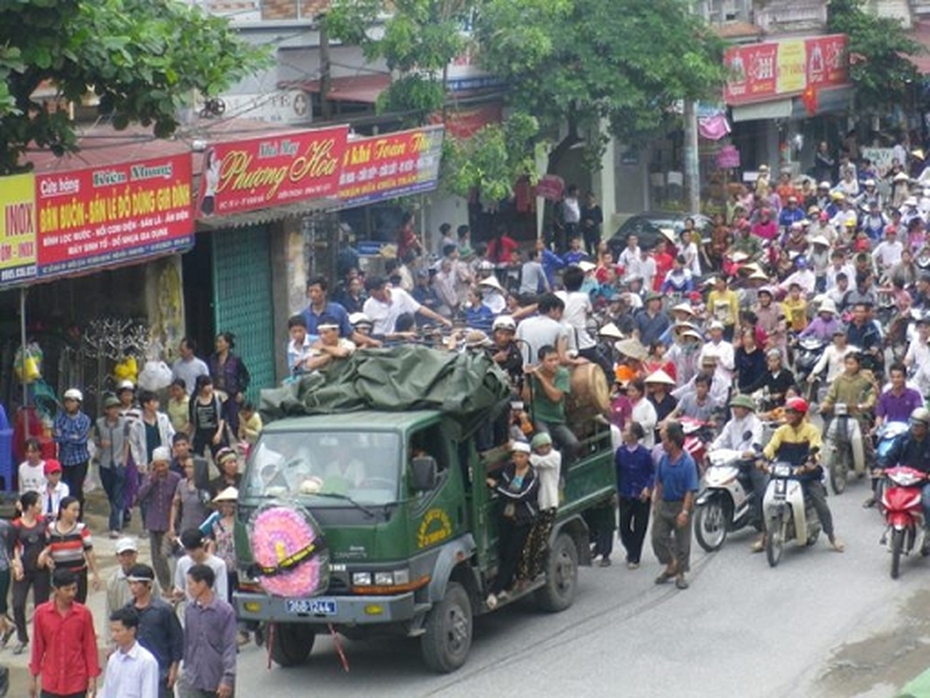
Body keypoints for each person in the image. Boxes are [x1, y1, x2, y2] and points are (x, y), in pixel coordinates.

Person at [760, 397, 844, 552]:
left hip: (806, 473)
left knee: (821, 504)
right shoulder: (781, 431)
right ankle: (765, 536)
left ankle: (832, 536)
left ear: (801, 414)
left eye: (792, 413)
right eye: (787, 412)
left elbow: (816, 448)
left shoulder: (812, 430)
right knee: (765, 497)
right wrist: (763, 459)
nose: (788, 416)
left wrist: (810, 462)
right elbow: (771, 447)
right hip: (784, 472)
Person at [29, 568, 100, 698]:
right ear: (56, 590)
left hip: (77, 681)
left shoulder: (83, 614)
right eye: (67, 590)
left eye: (74, 589)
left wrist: (92, 678)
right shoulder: (41, 613)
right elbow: (38, 647)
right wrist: (33, 677)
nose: (71, 593)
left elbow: (90, 647)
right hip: (51, 682)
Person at [485, 442, 539, 609]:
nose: (517, 459)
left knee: (511, 555)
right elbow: (490, 473)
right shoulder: (508, 469)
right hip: (506, 517)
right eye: (515, 456)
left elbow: (519, 496)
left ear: (528, 457)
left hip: (522, 520)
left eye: (521, 456)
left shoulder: (532, 476)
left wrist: (497, 486)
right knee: (502, 551)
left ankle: (495, 590)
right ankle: (506, 585)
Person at [820, 352, 877, 507]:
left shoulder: (865, 380)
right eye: (847, 363)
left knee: (867, 445)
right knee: (827, 434)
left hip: (859, 417)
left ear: (858, 364)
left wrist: (867, 404)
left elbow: (872, 394)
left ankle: (875, 472)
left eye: (852, 363)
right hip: (840, 416)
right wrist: (825, 404)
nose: (849, 366)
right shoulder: (839, 380)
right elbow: (830, 396)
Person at [652, 421, 698, 590]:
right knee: (657, 537)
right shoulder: (663, 460)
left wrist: (685, 512)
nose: (662, 444)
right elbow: (660, 483)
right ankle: (671, 563)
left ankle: (680, 574)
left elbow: (690, 490)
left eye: (665, 440)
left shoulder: (688, 463)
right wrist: (656, 504)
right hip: (665, 503)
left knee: (682, 542)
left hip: (681, 504)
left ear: (673, 442)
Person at [179, 564, 237, 698]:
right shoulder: (189, 610)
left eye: (190, 583)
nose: (188, 588)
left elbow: (229, 647)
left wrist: (227, 678)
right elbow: (188, 643)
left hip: (217, 681)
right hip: (193, 679)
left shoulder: (224, 611)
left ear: (203, 584)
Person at [126, 563, 183, 698]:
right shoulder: (127, 610)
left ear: (148, 585)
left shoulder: (164, 610)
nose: (133, 588)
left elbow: (176, 640)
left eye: (137, 584)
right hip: (134, 672)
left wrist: (174, 669)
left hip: (161, 672)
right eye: (131, 584)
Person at [711, 394, 767, 531]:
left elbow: (756, 442)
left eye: (738, 407)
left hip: (752, 461)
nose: (735, 410)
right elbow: (722, 439)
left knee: (760, 489)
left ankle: (762, 519)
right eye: (734, 407)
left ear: (747, 409)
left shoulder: (755, 423)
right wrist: (711, 449)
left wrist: (751, 452)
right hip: (735, 459)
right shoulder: (731, 424)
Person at [877, 408, 930, 550]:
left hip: (925, 481)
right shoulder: (904, 439)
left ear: (926, 426)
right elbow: (891, 455)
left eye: (919, 425)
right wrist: (882, 467)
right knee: (887, 500)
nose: (915, 428)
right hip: (905, 479)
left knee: (927, 502)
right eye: (913, 424)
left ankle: (928, 531)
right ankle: (889, 526)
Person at [523, 345, 580, 472]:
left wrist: (541, 378)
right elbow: (527, 399)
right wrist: (527, 380)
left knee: (573, 444)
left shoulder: (562, 374)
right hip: (539, 416)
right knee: (545, 442)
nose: (554, 363)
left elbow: (555, 397)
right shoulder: (535, 375)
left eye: (556, 359)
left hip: (557, 419)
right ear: (542, 362)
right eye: (550, 360)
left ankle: (562, 473)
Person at [39, 496, 102, 604]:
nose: (76, 514)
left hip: (78, 573)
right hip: (59, 574)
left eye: (78, 510)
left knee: (78, 605)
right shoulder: (51, 528)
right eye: (73, 510)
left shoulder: (81, 529)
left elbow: (89, 552)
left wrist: (96, 574)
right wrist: (47, 557)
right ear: (63, 511)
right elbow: (47, 547)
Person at [136, 447, 182, 591]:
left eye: (163, 465)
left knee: (166, 555)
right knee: (156, 558)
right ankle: (165, 586)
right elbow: (140, 496)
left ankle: (173, 584)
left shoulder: (176, 478)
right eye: (157, 465)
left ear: (168, 464)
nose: (160, 468)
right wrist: (151, 480)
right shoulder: (150, 477)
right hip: (153, 522)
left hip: (170, 522)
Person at [11, 491, 48, 655]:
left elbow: (51, 542)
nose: (41, 506)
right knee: (18, 604)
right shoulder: (16, 525)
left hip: (41, 569)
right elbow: (13, 547)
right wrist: (16, 564)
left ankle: (42, 640)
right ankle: (22, 638)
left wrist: (45, 554)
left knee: (41, 607)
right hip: (24, 569)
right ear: (30, 507)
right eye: (38, 503)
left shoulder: (43, 522)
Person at [520, 433, 560, 579]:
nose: (544, 449)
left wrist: (526, 456)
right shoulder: (535, 459)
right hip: (537, 504)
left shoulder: (555, 456)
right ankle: (529, 571)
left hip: (549, 503)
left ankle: (537, 571)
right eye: (540, 447)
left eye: (546, 446)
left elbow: (539, 462)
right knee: (531, 540)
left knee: (541, 541)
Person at [616, 422, 654, 570]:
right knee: (623, 526)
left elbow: (652, 472)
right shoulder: (620, 452)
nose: (623, 432)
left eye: (626, 430)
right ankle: (631, 548)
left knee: (640, 526)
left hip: (641, 495)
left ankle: (635, 556)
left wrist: (648, 488)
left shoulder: (645, 453)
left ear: (633, 435)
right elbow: (617, 473)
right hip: (625, 493)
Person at [102, 607, 160, 698]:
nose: (113, 635)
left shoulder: (147, 662)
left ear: (132, 631)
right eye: (112, 631)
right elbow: (107, 692)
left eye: (118, 631)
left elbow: (149, 694)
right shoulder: (113, 660)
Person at [52, 388, 91, 513]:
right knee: (63, 488)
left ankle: (77, 515)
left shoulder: (84, 419)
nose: (69, 404)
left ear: (78, 403)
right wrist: (71, 436)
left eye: (72, 401)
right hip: (64, 460)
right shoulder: (60, 418)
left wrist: (65, 436)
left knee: (76, 489)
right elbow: (56, 436)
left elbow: (81, 439)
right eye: (67, 401)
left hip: (79, 460)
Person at [95, 395, 128, 538]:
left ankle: (115, 526)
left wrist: (124, 461)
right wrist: (101, 444)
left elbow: (127, 442)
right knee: (110, 493)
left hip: (119, 461)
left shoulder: (124, 423)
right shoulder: (99, 423)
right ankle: (123, 512)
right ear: (107, 410)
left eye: (117, 408)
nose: (116, 411)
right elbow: (95, 439)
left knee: (118, 493)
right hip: (105, 463)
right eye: (112, 408)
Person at [106, 537, 161, 619]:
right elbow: (110, 610)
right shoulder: (113, 582)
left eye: (130, 554)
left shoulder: (147, 576)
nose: (127, 558)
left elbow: (158, 602)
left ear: (136, 555)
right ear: (117, 556)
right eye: (123, 555)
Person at [208, 332, 250, 438]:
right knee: (218, 420)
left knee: (234, 421)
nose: (218, 344)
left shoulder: (235, 360)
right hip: (217, 395)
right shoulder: (212, 359)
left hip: (232, 395)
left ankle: (239, 441)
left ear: (227, 344)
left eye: (220, 342)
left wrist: (241, 390)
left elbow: (245, 377)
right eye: (217, 342)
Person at [173, 529, 228, 604]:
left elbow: (222, 595)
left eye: (194, 550)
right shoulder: (182, 563)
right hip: (191, 609)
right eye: (188, 550)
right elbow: (179, 587)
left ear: (203, 546)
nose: (191, 554)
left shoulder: (219, 565)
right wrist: (179, 593)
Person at [514, 293, 571, 366]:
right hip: (546, 371)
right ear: (552, 309)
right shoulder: (559, 328)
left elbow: (519, 347)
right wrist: (578, 361)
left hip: (525, 369)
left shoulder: (523, 323)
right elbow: (562, 359)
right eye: (558, 310)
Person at [168, 456, 210, 552]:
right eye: (186, 467)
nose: (188, 470)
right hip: (186, 527)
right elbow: (175, 505)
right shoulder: (181, 484)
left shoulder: (206, 486)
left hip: (202, 528)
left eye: (191, 467)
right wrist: (171, 526)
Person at [875, 363, 924, 430]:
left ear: (905, 377)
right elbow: (879, 416)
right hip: (891, 431)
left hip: (910, 432)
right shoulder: (884, 396)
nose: (895, 380)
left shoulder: (914, 395)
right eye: (893, 377)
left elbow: (919, 413)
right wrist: (878, 426)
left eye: (898, 377)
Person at [189, 375, 227, 458]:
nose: (210, 387)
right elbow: (192, 420)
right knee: (198, 458)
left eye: (211, 384)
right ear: (200, 386)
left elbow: (222, 417)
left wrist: (219, 433)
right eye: (207, 385)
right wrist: (189, 438)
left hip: (214, 431)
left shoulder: (216, 397)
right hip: (200, 433)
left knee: (220, 456)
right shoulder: (194, 400)